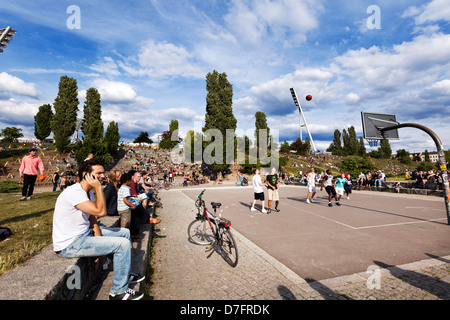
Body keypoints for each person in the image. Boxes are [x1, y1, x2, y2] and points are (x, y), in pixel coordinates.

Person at [52, 159, 145, 300]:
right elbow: (101, 212)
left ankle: (125, 274)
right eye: (99, 173)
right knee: (122, 244)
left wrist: (99, 241)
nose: (103, 176)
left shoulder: (87, 192)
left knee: (124, 233)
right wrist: (99, 188)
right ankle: (118, 292)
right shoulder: (74, 192)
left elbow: (93, 219)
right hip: (70, 244)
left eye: (103, 172)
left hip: (84, 235)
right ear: (86, 175)